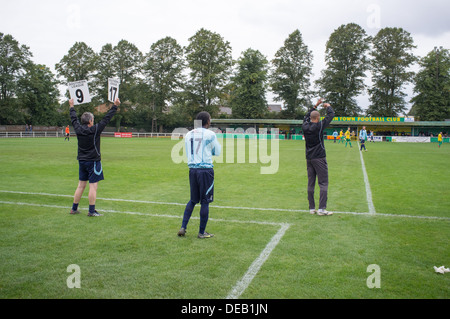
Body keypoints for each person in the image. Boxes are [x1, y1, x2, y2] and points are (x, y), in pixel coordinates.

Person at [69, 98, 120, 217]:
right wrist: (115, 106)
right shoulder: (95, 129)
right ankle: (91, 211)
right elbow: (106, 119)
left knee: (81, 185)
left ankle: (74, 208)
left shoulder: (78, 129)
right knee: (93, 186)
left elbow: (73, 119)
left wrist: (71, 106)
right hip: (93, 162)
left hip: (82, 161)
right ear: (91, 121)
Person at [178, 112, 222, 238]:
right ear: (207, 121)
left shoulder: (189, 134)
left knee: (193, 200)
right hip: (205, 170)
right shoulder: (210, 134)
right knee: (205, 202)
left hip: (192, 170)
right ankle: (201, 232)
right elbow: (217, 152)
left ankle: (183, 227)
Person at [302, 99, 335, 216]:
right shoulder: (319, 126)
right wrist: (328, 106)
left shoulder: (305, 125)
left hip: (309, 158)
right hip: (319, 158)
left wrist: (315, 105)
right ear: (318, 118)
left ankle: (312, 208)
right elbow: (331, 115)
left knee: (311, 183)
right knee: (323, 183)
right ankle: (321, 209)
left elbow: (306, 116)